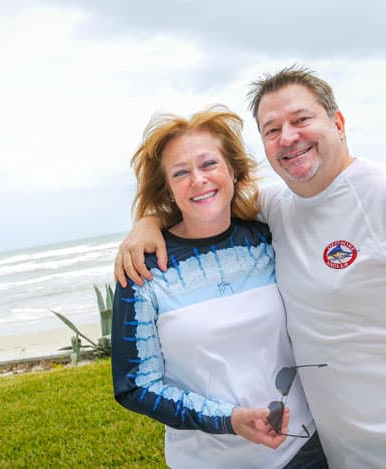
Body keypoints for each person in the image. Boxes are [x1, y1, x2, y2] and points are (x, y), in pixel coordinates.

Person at [114, 66, 386, 469]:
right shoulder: (277, 209)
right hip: (343, 455)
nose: (288, 137)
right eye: (272, 130)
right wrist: (147, 223)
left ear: (338, 122)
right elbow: (207, 205)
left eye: (301, 119)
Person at [111, 106, 328, 468]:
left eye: (209, 164)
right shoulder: (143, 270)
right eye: (180, 172)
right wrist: (227, 419)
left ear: (233, 171)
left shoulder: (271, 240)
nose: (198, 179)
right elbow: (135, 385)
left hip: (303, 449)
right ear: (168, 190)